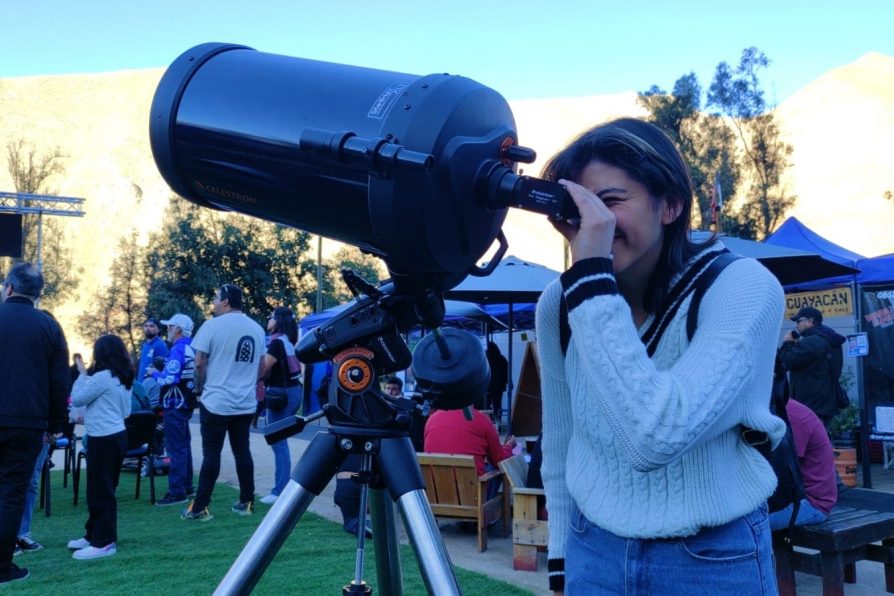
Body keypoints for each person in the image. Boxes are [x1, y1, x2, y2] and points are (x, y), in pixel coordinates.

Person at [536, 118, 785, 594]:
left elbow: (654, 435)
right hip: (592, 548)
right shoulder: (560, 304)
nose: (595, 225)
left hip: (711, 557)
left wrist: (591, 280)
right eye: (579, 209)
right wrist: (561, 558)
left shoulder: (742, 287)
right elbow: (561, 442)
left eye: (609, 203)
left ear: (669, 205)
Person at [0, 263, 70, 585]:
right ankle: (2, 566)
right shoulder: (49, 327)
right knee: (13, 492)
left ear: (9, 288)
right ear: (37, 293)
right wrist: (54, 425)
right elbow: (59, 382)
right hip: (27, 423)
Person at [182, 284, 265, 521]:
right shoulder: (257, 329)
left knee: (212, 454)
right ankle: (246, 501)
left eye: (216, 298)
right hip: (245, 402)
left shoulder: (211, 325)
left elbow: (199, 363)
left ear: (226, 302)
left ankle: (199, 507)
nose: (214, 303)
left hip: (216, 400)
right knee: (242, 451)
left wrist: (199, 389)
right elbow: (261, 366)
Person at [67, 334, 133, 560]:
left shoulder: (102, 377)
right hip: (117, 436)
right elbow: (126, 412)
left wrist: (82, 375)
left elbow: (76, 399)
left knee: (100, 491)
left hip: (102, 439)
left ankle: (104, 542)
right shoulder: (124, 377)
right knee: (103, 489)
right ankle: (93, 533)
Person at [768, 398, 837, 530]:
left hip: (812, 504)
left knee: (747, 527)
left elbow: (783, 472)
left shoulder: (791, 417)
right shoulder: (784, 409)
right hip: (799, 498)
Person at [258, 306, 301, 505]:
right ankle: (281, 487)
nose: (268, 319)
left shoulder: (275, 343)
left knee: (278, 442)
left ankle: (280, 490)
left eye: (271, 317)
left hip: (280, 394)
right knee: (280, 441)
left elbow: (263, 369)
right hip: (292, 391)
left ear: (278, 321)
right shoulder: (288, 340)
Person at [152, 313, 197, 507]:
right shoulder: (192, 346)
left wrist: (153, 373)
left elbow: (169, 378)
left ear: (178, 329)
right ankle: (186, 485)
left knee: (175, 448)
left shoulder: (178, 349)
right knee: (184, 445)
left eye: (170, 327)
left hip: (174, 403)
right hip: (186, 402)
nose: (168, 330)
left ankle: (177, 491)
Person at [779, 306, 847, 429]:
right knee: (822, 441)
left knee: (809, 444)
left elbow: (785, 362)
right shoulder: (829, 339)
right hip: (826, 402)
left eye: (799, 321)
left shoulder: (811, 342)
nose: (796, 325)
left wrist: (787, 342)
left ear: (810, 321)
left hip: (810, 405)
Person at [424, 406, 515, 477]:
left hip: (437, 494)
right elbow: (500, 461)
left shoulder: (431, 420)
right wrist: (509, 446)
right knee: (494, 469)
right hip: (473, 495)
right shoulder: (481, 419)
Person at [485, 341, 508, 420]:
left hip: (488, 386)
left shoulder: (486, 358)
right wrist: (508, 382)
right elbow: (507, 371)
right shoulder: (501, 358)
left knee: (487, 405)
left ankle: (490, 421)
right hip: (499, 386)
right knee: (497, 405)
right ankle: (498, 420)